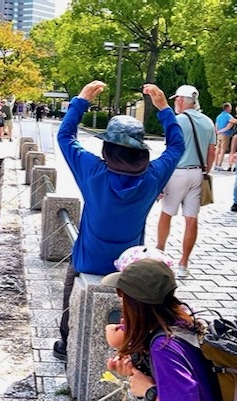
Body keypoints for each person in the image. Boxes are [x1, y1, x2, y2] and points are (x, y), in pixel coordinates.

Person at [53, 81, 185, 362]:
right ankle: (131, 346)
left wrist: (81, 100)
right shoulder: (153, 176)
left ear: (107, 149)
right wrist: (162, 107)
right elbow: (177, 146)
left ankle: (66, 343)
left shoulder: (92, 170)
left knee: (69, 291)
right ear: (141, 149)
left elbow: (65, 137)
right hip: (128, 267)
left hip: (88, 261)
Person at [103, 259, 221, 401]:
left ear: (136, 306)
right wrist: (141, 365)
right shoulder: (182, 323)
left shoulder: (163, 347)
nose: (122, 306)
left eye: (123, 299)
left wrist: (148, 390)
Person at [156, 85, 216, 279]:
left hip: (177, 173)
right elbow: (212, 151)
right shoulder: (208, 121)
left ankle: (160, 254)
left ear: (181, 100)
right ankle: (183, 263)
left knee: (166, 214)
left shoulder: (177, 121)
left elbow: (170, 150)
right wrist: (205, 170)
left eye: (176, 99)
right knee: (191, 219)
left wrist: (162, 178)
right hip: (198, 173)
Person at [213, 102, 233, 171]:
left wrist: (218, 132)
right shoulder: (228, 116)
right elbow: (230, 124)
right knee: (223, 149)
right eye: (230, 107)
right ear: (227, 108)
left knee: (218, 148)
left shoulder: (219, 116)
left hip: (219, 135)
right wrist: (222, 131)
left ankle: (215, 164)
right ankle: (219, 165)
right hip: (225, 134)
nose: (231, 109)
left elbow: (216, 125)